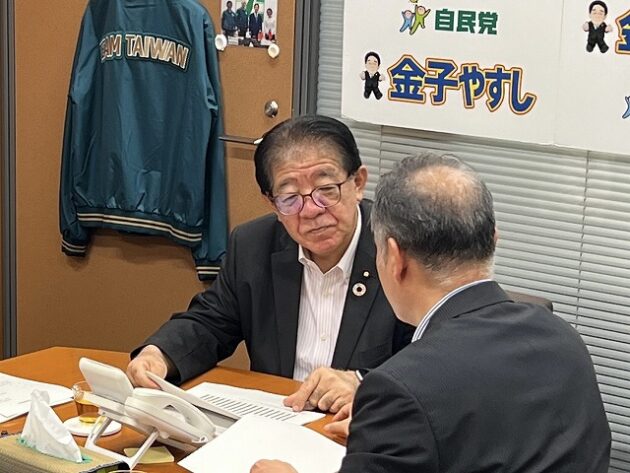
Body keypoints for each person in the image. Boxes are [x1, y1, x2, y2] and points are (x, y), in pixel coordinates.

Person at [252, 153, 611, 473]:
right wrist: (387, 433)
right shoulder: (563, 337)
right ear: (493, 239)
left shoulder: (402, 389)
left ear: (395, 257)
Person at [127, 116, 413, 414]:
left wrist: (361, 383)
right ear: (272, 204)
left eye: (327, 189)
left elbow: (430, 354)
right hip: (276, 419)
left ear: (358, 183)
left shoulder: (401, 250)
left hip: (361, 425)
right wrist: (159, 355)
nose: (311, 210)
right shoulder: (253, 245)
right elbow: (210, 322)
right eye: (290, 198)